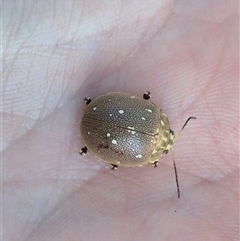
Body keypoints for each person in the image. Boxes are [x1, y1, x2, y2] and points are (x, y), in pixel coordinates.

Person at [2, 1, 238, 240]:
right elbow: (121, 155)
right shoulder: (146, 156)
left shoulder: (155, 116)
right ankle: (91, 146)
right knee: (119, 157)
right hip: (96, 127)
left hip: (99, 109)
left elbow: (136, 103)